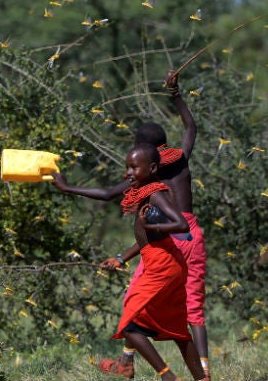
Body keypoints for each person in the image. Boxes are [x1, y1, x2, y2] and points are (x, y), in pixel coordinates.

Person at [52, 70, 210, 380]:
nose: (129, 169)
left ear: (147, 157)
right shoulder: (180, 159)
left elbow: (109, 194)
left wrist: (69, 188)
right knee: (188, 308)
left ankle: (138, 366)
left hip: (169, 241)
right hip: (194, 235)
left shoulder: (149, 180)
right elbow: (191, 127)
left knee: (136, 302)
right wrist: (175, 94)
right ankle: (203, 372)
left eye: (133, 162)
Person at [103, 143, 206, 381]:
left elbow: (180, 224)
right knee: (179, 332)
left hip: (162, 266)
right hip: (167, 262)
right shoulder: (146, 192)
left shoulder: (155, 194)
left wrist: (152, 225)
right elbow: (147, 239)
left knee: (129, 325)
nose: (128, 173)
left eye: (134, 168)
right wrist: (120, 258)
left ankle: (168, 377)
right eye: (127, 167)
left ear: (151, 168)